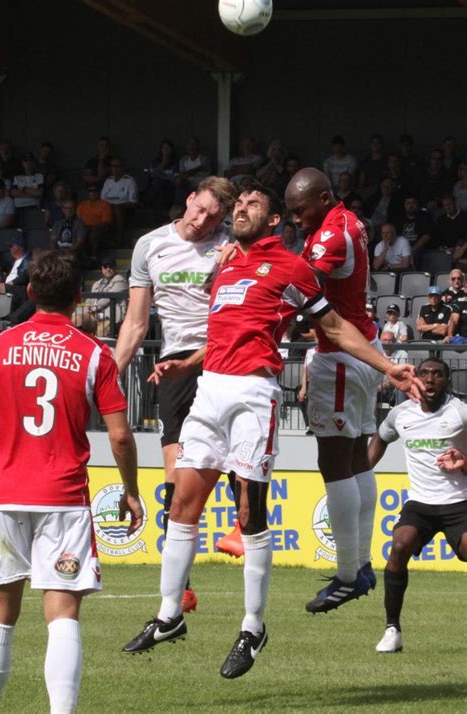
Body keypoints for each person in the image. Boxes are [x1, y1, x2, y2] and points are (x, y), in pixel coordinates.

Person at [121, 180, 419, 678]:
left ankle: (253, 625)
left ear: (274, 220)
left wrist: (387, 366)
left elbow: (336, 327)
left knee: (248, 512)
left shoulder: (291, 267)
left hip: (252, 396)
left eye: (252, 204)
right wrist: (187, 363)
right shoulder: (226, 263)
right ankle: (169, 616)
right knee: (181, 505)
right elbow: (226, 330)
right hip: (210, 389)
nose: (240, 209)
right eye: (237, 204)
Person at [0, 250, 143, 713]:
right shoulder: (94, 355)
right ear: (79, 297)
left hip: (2, 494)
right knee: (62, 615)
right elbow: (119, 436)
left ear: (31, 292)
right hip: (63, 498)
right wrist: (131, 492)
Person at [114, 176, 240, 611]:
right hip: (174, 362)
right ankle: (180, 590)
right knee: (175, 472)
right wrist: (111, 374)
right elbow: (135, 322)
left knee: (235, 456)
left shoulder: (231, 245)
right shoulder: (150, 245)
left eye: (213, 217)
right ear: (189, 199)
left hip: (221, 354)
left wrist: (236, 253)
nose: (202, 221)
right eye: (199, 209)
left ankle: (244, 531)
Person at [285, 167, 390, 613]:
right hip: (363, 344)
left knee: (333, 460)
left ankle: (348, 573)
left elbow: (298, 284)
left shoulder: (331, 236)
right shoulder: (350, 222)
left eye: (300, 211)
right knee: (352, 458)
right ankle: (361, 565)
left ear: (324, 199)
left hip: (342, 352)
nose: (296, 220)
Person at [368, 358, 467, 653]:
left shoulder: (460, 412)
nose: (431, 379)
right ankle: (392, 630)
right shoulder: (401, 415)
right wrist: (358, 473)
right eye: (425, 373)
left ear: (448, 382)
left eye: (438, 374)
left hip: (458, 503)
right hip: (420, 504)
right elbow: (381, 439)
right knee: (399, 546)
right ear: (416, 380)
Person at [75, 257, 128, 337]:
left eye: (111, 267)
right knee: (77, 320)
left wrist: (93, 308)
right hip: (94, 315)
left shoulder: (120, 281)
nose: (108, 269)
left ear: (115, 268)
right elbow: (89, 299)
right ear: (102, 269)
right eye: (105, 267)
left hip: (110, 316)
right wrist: (87, 307)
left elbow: (107, 298)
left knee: (101, 330)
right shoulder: (97, 283)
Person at [77, 184, 113, 258]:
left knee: (92, 234)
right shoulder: (82, 204)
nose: (92, 193)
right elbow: (77, 220)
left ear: (99, 192)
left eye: (95, 191)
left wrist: (93, 227)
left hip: (97, 229)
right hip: (82, 228)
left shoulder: (105, 204)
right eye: (90, 191)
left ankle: (94, 257)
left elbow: (106, 222)